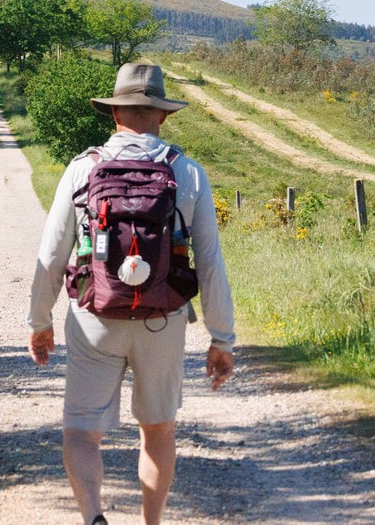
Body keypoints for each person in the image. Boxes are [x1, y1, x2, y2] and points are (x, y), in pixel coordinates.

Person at [27, 63, 236, 525]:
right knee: (157, 431)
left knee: (82, 433)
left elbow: (52, 252)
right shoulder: (188, 173)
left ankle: (94, 518)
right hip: (163, 319)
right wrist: (222, 337)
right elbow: (210, 261)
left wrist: (39, 322)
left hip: (94, 317)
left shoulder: (83, 168)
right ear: (163, 114)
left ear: (114, 113)